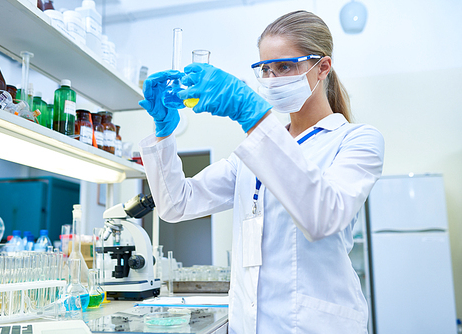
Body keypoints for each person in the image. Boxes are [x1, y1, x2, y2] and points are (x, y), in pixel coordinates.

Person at [138, 10, 384, 334]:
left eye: (284, 66)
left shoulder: (357, 140)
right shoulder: (251, 155)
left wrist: (250, 113)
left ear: (322, 67)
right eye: (265, 69)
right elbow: (177, 204)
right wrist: (163, 133)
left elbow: (323, 217)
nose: (271, 79)